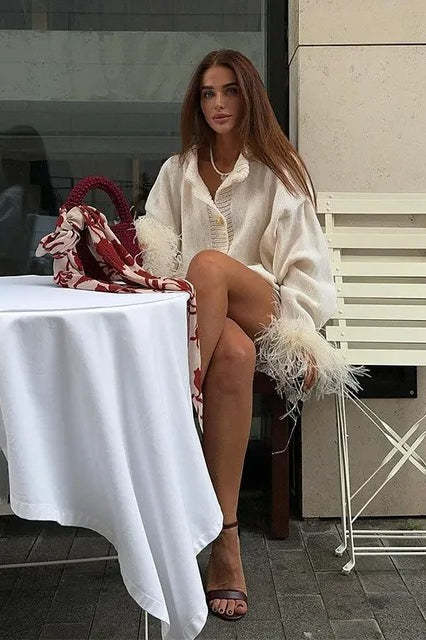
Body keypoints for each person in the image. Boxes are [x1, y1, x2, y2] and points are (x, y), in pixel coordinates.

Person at [135, 49, 362, 622]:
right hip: (210, 326)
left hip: (271, 310)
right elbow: (154, 253)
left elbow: (307, 268)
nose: (218, 103)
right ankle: (225, 541)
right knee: (233, 353)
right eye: (208, 93)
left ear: (250, 97)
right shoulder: (178, 171)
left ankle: (171, 412)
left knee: (209, 265)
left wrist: (300, 336)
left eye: (230, 90)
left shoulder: (278, 172)